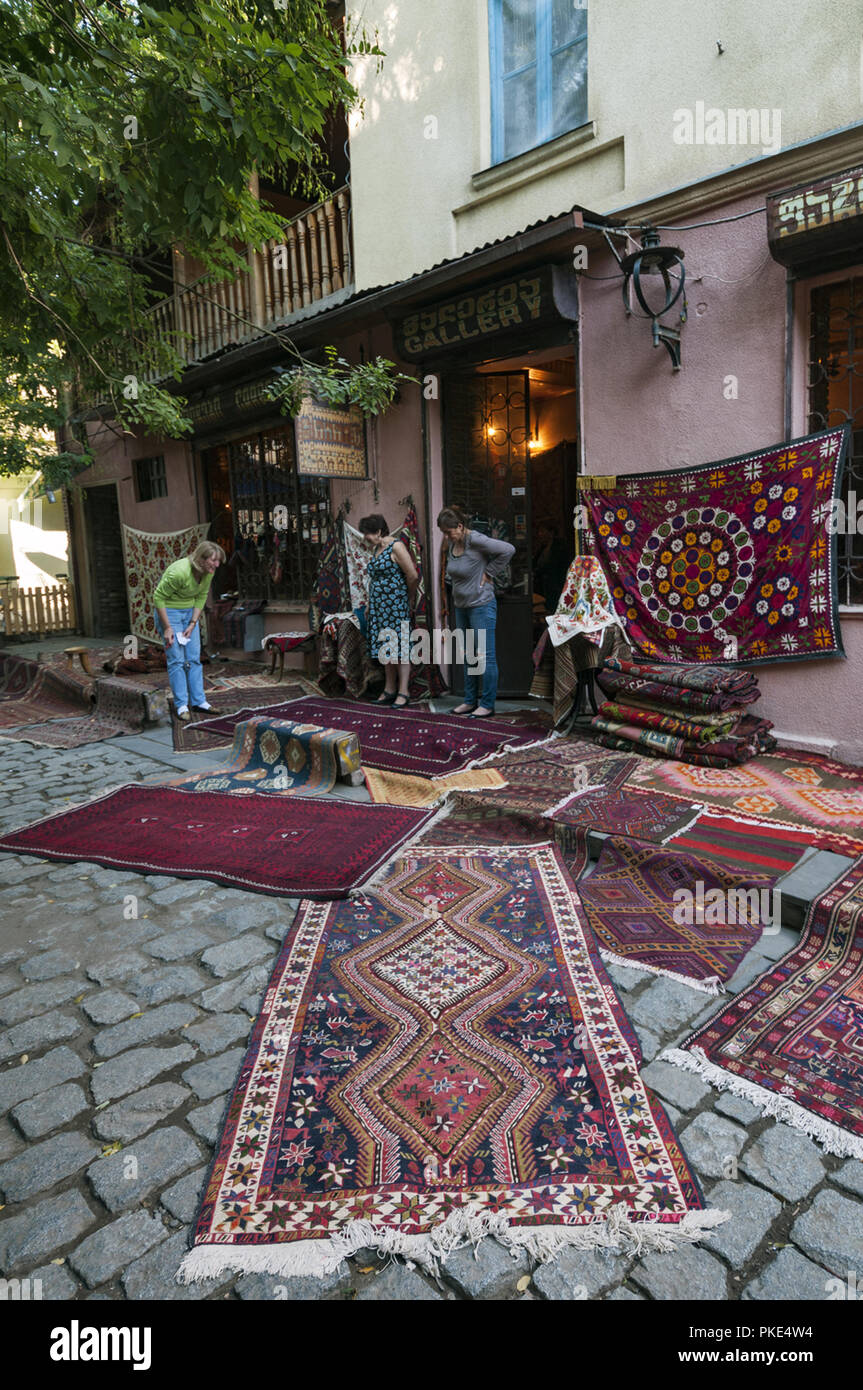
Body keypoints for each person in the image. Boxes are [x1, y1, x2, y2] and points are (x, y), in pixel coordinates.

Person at [438, 505, 515, 716]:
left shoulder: (476, 539)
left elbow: (508, 550)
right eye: (443, 532)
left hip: (481, 605)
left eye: (448, 532)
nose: (446, 536)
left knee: (485, 656)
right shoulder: (453, 544)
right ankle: (470, 701)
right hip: (461, 607)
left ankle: (487, 704)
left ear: (460, 526)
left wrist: (489, 572)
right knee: (469, 656)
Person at [153, 540, 225, 720]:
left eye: (218, 561)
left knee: (193, 658)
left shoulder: (208, 572)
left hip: (188, 614)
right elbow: (158, 597)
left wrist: (193, 623)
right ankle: (181, 705)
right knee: (177, 659)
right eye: (213, 560)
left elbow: (201, 596)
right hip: (169, 613)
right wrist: (168, 627)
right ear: (201, 558)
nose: (217, 565)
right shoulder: (180, 572)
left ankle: (199, 702)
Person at [358, 514, 418, 708]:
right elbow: (374, 580)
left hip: (394, 605)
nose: (365, 537)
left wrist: (407, 598)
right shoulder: (377, 549)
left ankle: (403, 691)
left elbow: (412, 575)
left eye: (367, 533)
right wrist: (369, 604)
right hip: (378, 607)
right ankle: (389, 689)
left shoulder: (396, 546)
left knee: (399, 649)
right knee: (386, 649)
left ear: (378, 531)